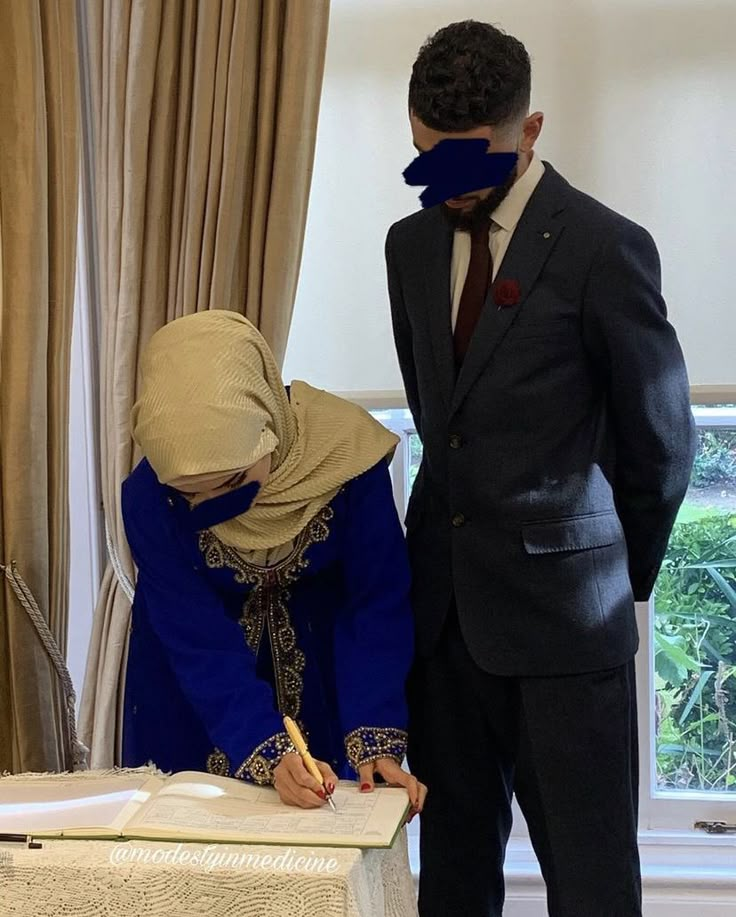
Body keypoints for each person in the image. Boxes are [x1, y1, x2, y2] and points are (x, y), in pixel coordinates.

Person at [386, 19, 697, 917]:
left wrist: (605, 570)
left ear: (530, 131)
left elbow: (662, 438)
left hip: (569, 630)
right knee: (451, 879)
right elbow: (438, 419)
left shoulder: (606, 247)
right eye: (422, 156)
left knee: (592, 883)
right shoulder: (407, 250)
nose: (441, 185)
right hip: (443, 622)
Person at [121, 309, 426, 817]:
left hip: (333, 680)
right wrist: (262, 742)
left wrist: (374, 735)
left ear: (266, 421)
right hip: (195, 692)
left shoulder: (347, 456)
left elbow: (375, 602)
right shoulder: (148, 496)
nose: (215, 504)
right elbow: (194, 635)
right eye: (191, 495)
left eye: (234, 481)